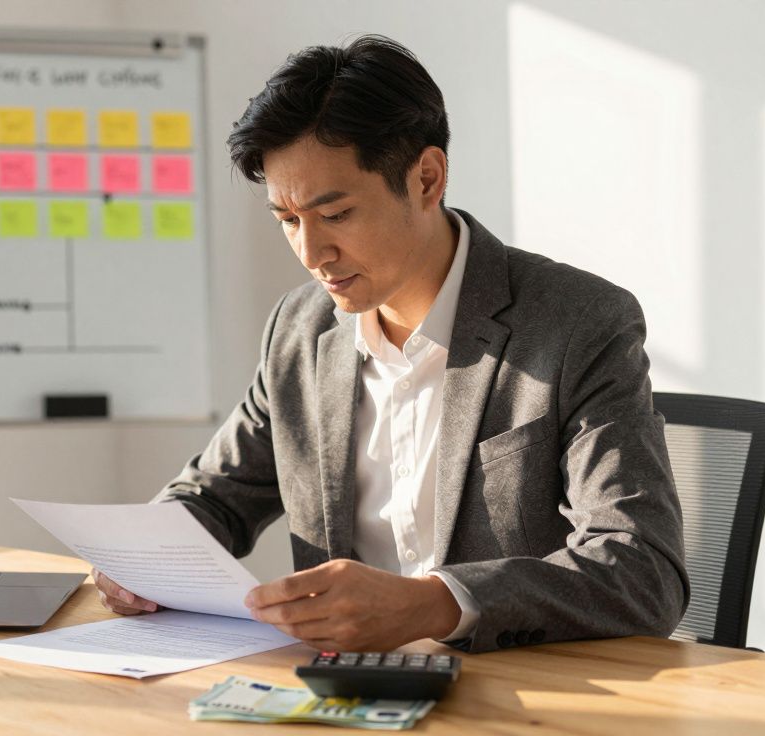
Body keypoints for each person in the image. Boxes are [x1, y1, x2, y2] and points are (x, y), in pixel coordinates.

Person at [92, 35, 689, 654]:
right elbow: (215, 496)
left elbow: (641, 568)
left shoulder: (577, 323)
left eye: (336, 215)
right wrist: (143, 556)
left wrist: (434, 603)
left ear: (427, 178)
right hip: (342, 685)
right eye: (289, 220)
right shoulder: (300, 328)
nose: (311, 253)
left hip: (514, 684)